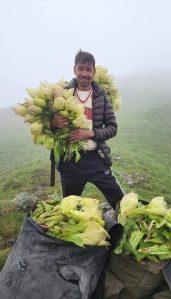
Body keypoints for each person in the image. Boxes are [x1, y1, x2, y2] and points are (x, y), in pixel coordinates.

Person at [51, 50, 124, 210]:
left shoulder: (101, 97)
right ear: (74, 70)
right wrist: (53, 122)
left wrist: (90, 133)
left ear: (94, 72)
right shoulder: (63, 93)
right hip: (70, 162)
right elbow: (46, 126)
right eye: (81, 68)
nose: (84, 73)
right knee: (70, 208)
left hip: (96, 158)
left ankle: (130, 226)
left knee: (120, 201)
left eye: (88, 69)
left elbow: (113, 128)